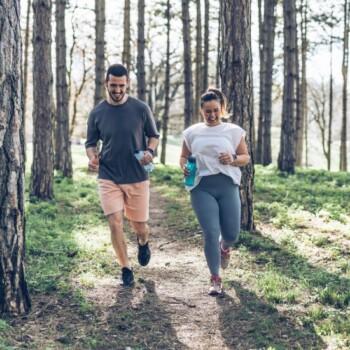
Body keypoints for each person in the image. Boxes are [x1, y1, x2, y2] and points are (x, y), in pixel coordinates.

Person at [85, 63, 159, 287]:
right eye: (113, 85)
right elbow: (90, 143)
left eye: (121, 86)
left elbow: (153, 136)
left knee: (139, 226)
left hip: (137, 175)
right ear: (106, 83)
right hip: (108, 175)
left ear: (127, 84)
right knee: (115, 223)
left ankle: (143, 241)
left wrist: (150, 151)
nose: (117, 90)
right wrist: (92, 157)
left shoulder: (140, 108)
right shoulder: (97, 112)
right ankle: (125, 268)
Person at [179, 87, 250, 295]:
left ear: (222, 109)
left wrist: (233, 159)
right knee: (210, 233)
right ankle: (215, 277)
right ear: (201, 111)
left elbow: (245, 157)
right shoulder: (192, 132)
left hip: (227, 186)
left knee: (231, 234)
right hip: (201, 187)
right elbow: (184, 156)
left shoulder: (233, 131)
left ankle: (224, 248)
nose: (212, 115)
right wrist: (183, 166)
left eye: (215, 110)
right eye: (207, 111)